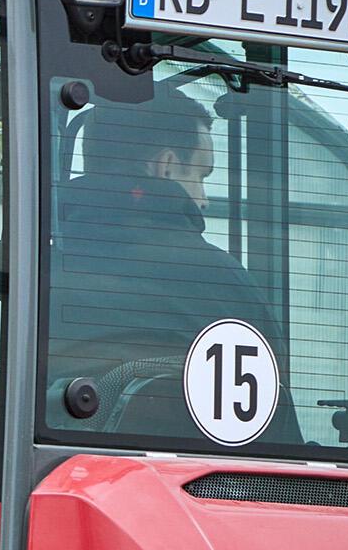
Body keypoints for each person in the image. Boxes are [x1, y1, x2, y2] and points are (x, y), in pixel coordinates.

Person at [54, 83, 274, 398]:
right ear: (167, 166)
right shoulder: (223, 284)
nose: (204, 199)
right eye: (201, 176)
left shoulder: (15, 269)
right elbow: (271, 410)